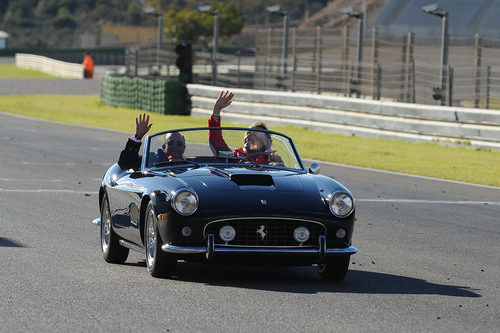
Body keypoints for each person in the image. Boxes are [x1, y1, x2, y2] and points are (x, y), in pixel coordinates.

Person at [208, 91, 283, 165]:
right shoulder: (235, 157)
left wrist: (278, 163)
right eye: (247, 133)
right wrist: (216, 111)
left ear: (263, 143)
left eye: (254, 135)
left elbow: (284, 175)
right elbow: (216, 141)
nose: (248, 136)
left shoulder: (271, 159)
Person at [118, 114, 186, 170]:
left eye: (179, 144)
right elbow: (125, 163)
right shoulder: (152, 160)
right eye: (170, 143)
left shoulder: (193, 164)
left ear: (184, 148)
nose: (175, 146)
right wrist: (138, 136)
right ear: (164, 146)